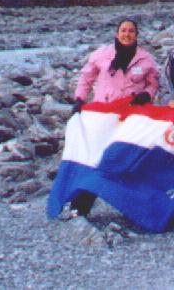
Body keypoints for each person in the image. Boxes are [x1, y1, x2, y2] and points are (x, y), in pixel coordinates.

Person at [68, 19, 160, 217]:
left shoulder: (145, 59)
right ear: (117, 34)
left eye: (131, 31)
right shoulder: (102, 55)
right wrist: (79, 99)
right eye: (123, 30)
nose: (127, 34)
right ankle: (80, 204)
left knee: (127, 158)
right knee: (98, 158)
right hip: (104, 115)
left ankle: (133, 206)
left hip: (132, 116)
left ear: (136, 35)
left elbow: (153, 83)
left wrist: (147, 95)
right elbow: (86, 78)